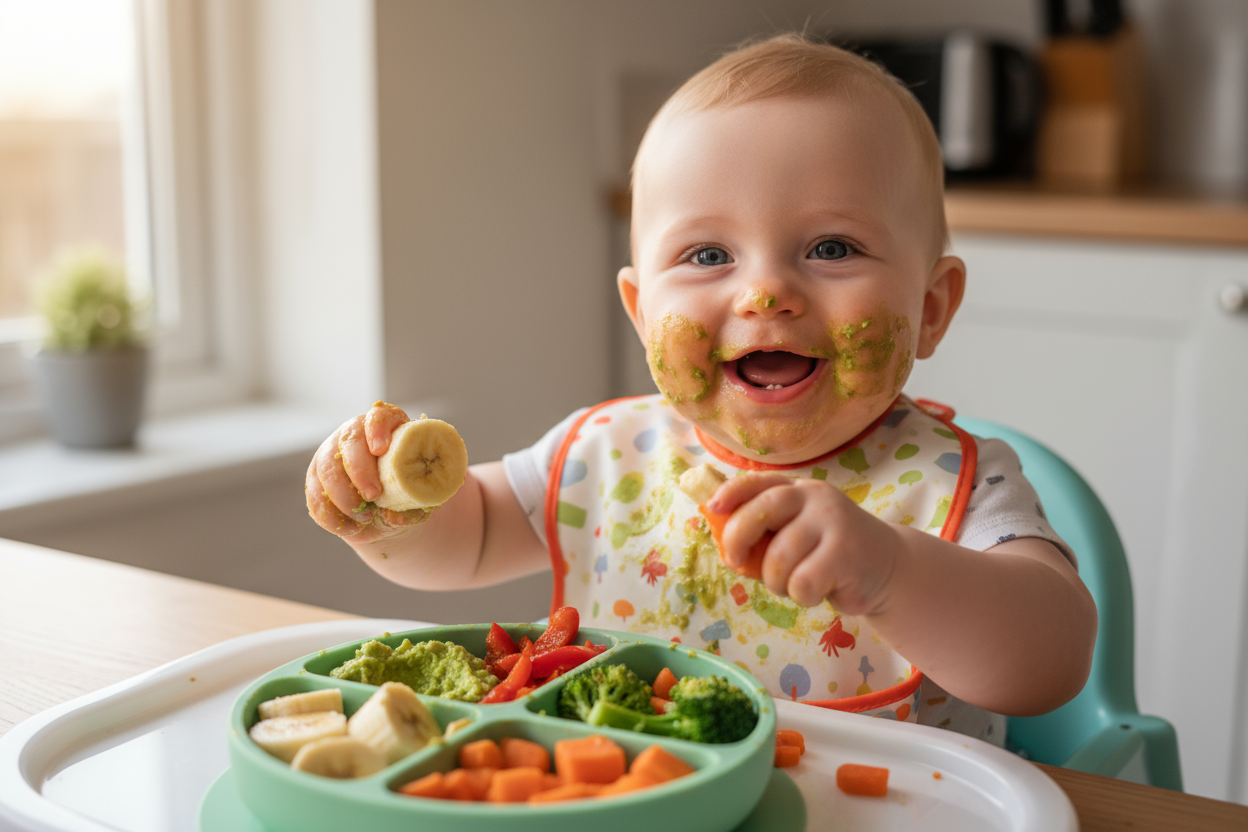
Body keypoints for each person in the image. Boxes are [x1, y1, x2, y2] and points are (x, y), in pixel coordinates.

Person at [305, 34, 1096, 745]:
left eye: (830, 246)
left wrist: (893, 574)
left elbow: (1049, 662)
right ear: (642, 312)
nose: (765, 292)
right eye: (709, 255)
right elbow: (469, 539)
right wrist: (390, 512)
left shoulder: (960, 482)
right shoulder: (604, 457)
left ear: (930, 309)